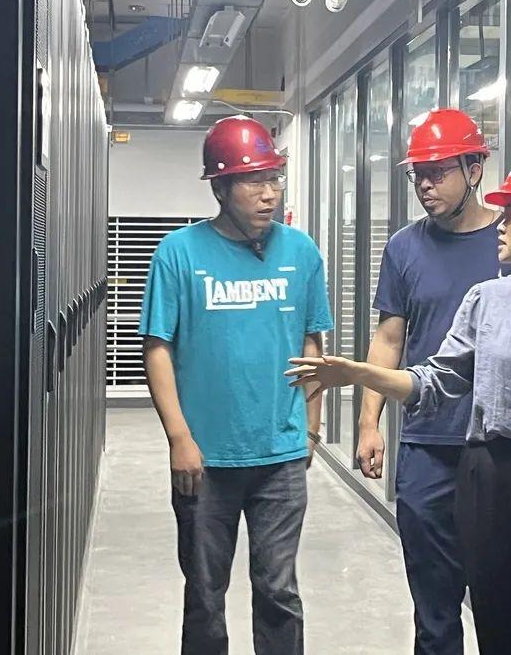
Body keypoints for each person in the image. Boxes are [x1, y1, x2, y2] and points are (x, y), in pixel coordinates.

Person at [289, 150, 511, 655]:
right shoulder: (486, 299)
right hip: (488, 478)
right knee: (499, 624)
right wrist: (358, 374)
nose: (501, 225)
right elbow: (436, 380)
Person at [140, 115, 333, 655]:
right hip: (205, 460)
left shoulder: (301, 252)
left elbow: (312, 345)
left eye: (274, 179)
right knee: (205, 595)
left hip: (280, 456)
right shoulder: (179, 252)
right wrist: (179, 438)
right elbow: (158, 347)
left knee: (279, 592)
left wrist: (310, 431)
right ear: (221, 188)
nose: (269, 193)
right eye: (254, 181)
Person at [356, 108, 501, 654]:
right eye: (418, 174)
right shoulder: (404, 248)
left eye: (438, 172)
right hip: (426, 444)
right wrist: (369, 422)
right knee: (434, 608)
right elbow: (389, 338)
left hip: (498, 446)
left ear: (474, 170)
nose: (425, 185)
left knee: (502, 601)